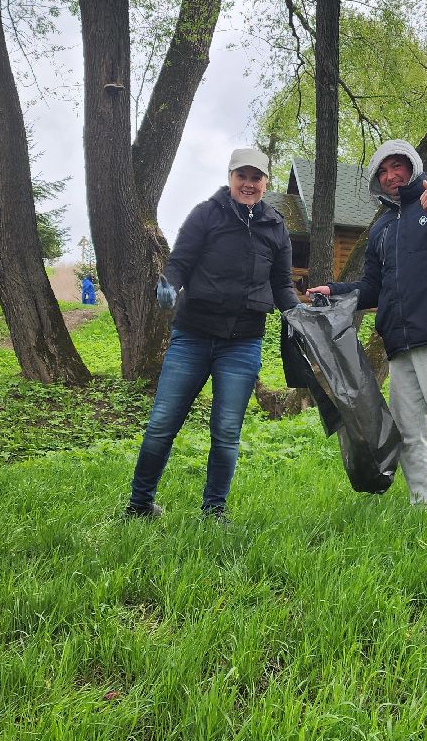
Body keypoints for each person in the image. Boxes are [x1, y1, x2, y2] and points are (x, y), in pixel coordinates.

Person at [308, 140, 427, 538]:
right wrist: (336, 290)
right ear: (377, 181)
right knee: (411, 433)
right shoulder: (381, 227)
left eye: (397, 166)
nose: (391, 175)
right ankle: (422, 508)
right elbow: (374, 288)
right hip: (399, 346)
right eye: (383, 171)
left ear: (412, 166)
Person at [126, 147, 302, 521]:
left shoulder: (276, 227)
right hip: (192, 336)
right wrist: (169, 286)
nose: (249, 183)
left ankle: (214, 511)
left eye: (256, 177)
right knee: (161, 423)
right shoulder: (206, 214)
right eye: (242, 176)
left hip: (243, 343)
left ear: (266, 182)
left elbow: (283, 285)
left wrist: (298, 313)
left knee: (225, 431)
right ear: (230, 176)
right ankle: (140, 505)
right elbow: (180, 264)